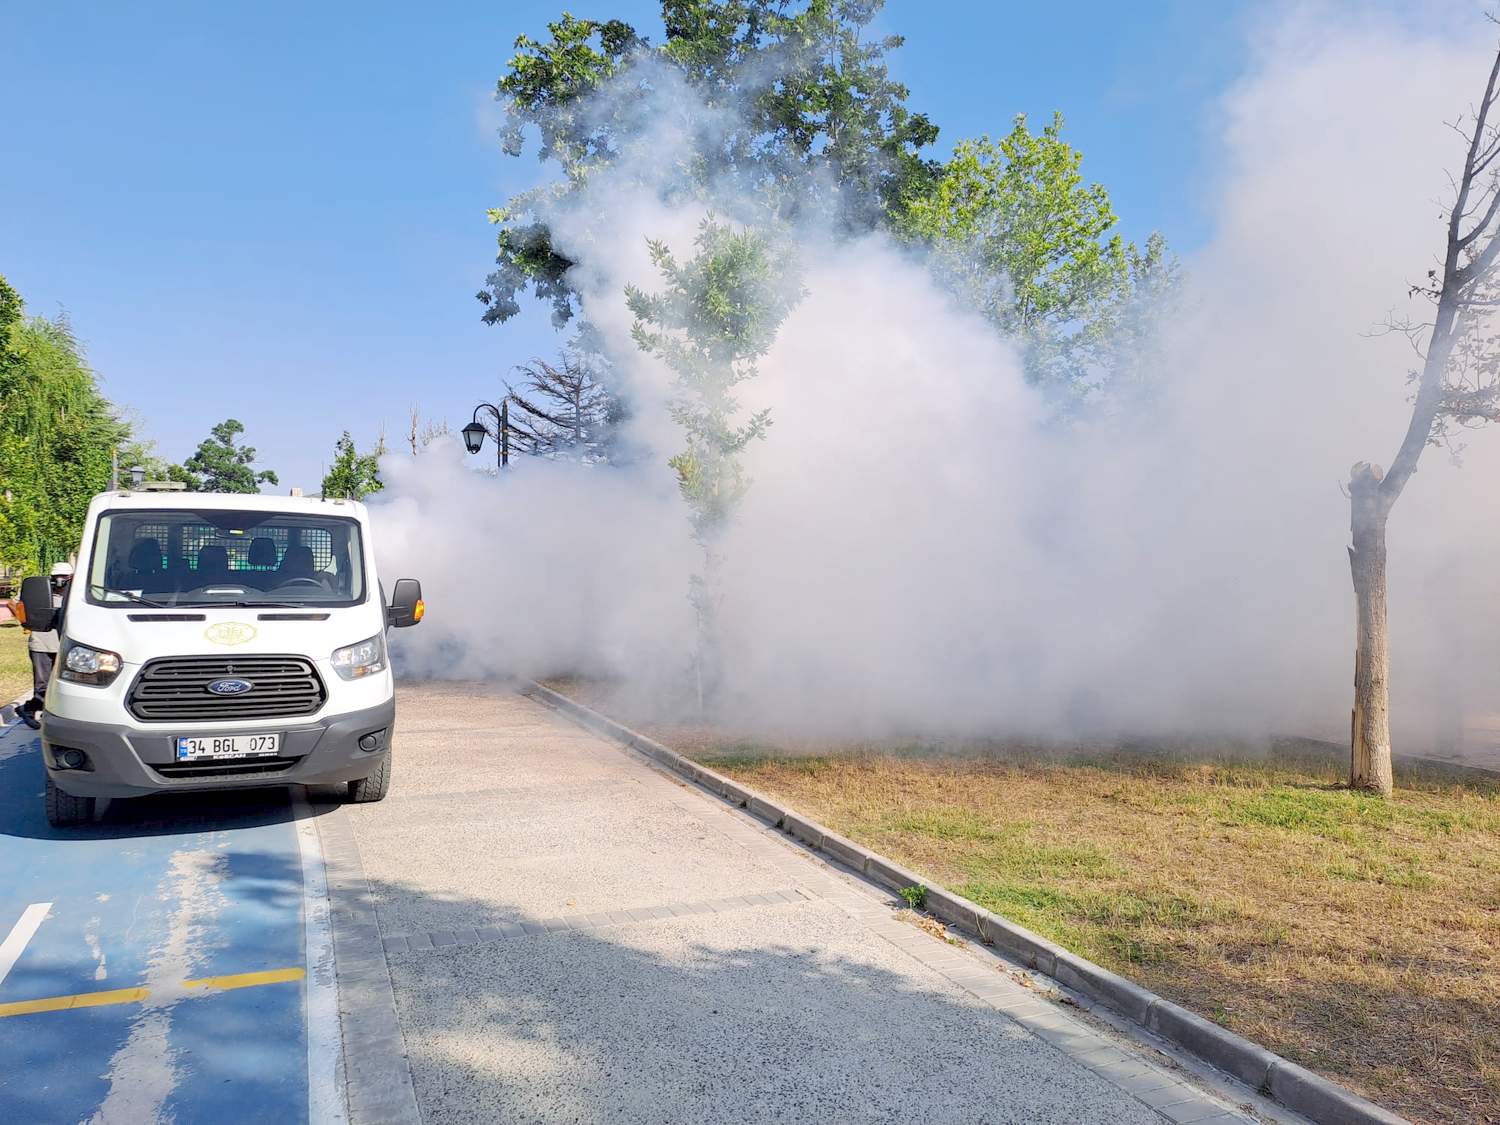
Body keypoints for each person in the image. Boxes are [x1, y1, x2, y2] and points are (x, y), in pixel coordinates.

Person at [11, 562, 72, 730]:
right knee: (43, 685)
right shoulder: (40, 592)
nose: (60, 580)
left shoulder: (74, 594)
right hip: (42, 644)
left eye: (64, 577)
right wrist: (26, 621)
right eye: (56, 577)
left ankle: (45, 712)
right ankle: (28, 709)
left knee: (60, 685)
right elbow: (14, 603)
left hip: (64, 644)